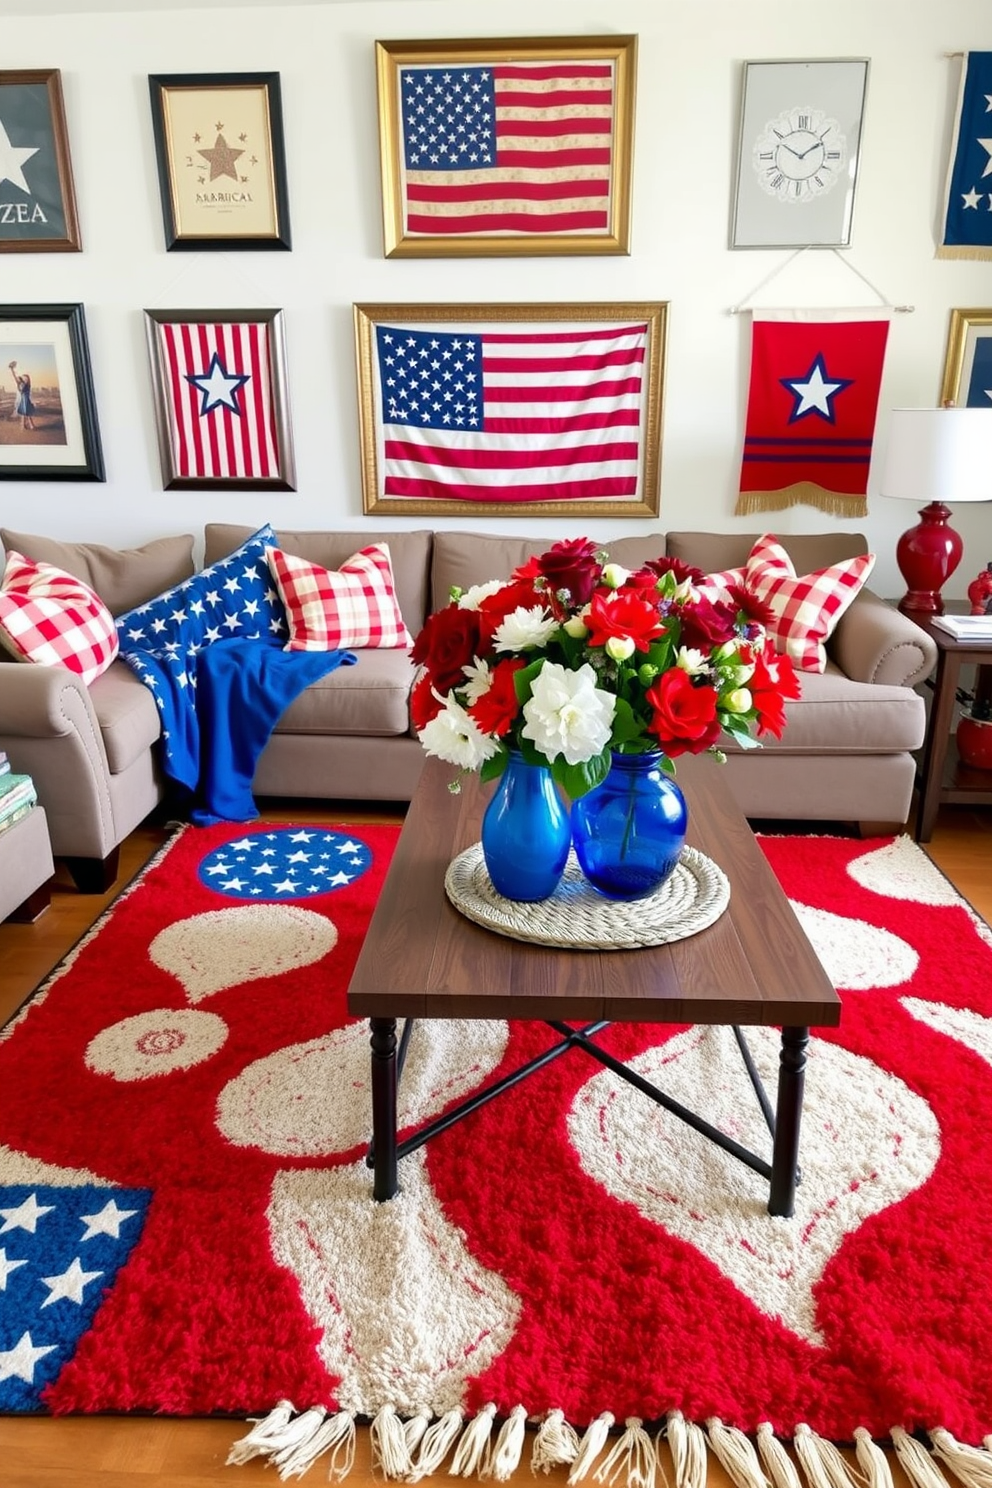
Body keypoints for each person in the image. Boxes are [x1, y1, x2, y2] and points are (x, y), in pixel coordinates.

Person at [9, 361, 36, 430]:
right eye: (24, 378)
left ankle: (27, 425)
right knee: (25, 413)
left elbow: (27, 378)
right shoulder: (21, 385)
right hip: (24, 400)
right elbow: (15, 377)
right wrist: (12, 369)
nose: (25, 379)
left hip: (25, 400)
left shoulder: (26, 385)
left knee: (26, 413)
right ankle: (28, 425)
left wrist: (12, 369)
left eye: (25, 378)